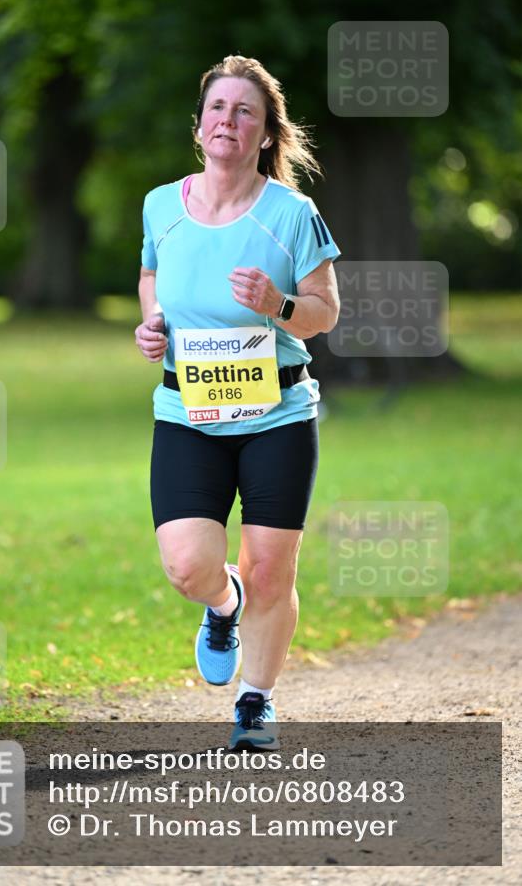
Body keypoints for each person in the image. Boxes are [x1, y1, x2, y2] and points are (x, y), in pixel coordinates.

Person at [135, 54, 340, 749]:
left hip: (277, 415)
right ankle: (222, 607)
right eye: (218, 108)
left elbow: (323, 311)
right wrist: (151, 324)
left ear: (263, 133)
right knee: (187, 564)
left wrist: (277, 304)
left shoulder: (290, 213)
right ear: (200, 127)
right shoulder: (161, 204)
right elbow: (150, 277)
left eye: (244, 111)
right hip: (188, 412)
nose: (229, 120)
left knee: (271, 568)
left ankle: (255, 702)